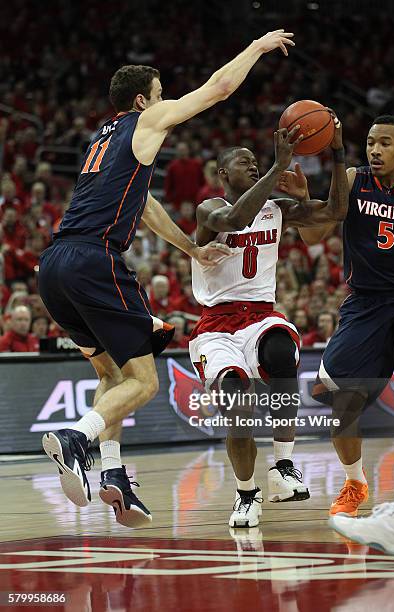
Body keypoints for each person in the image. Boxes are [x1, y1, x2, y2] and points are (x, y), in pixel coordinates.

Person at [38, 29, 297, 528]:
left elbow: (148, 206)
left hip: (54, 265)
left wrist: (192, 248)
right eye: (161, 94)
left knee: (111, 377)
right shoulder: (144, 120)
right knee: (143, 382)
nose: (167, 102)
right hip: (95, 260)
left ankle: (114, 477)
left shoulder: (102, 140)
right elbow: (218, 88)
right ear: (142, 100)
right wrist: (257, 48)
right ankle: (77, 437)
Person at [190, 119, 348, 528]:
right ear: (224, 174)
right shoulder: (209, 208)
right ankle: (246, 494)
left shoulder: (277, 210)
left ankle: (283, 467)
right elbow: (236, 220)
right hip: (215, 324)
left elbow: (336, 211)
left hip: (261, 314)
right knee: (236, 401)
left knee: (281, 351)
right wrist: (279, 168)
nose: (255, 166)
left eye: (258, 163)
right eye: (246, 163)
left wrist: (337, 152)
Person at [292, 115, 394, 558]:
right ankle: (355, 483)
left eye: (385, 143)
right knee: (342, 403)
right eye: (370, 142)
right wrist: (303, 206)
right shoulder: (351, 180)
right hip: (365, 303)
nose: (374, 149)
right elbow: (315, 232)